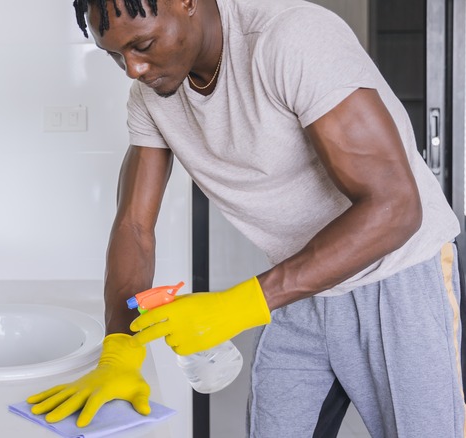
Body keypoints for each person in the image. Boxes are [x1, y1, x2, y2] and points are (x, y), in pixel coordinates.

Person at [26, 0, 465, 435]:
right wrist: (119, 349)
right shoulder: (150, 99)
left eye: (142, 45)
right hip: (299, 285)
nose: (133, 70)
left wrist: (240, 305)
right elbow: (134, 228)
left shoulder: (291, 39)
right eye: (115, 55)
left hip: (398, 279)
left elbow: (395, 208)